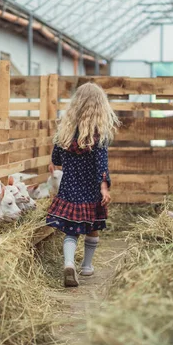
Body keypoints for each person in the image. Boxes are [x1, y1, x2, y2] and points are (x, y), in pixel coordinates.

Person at [46, 83, 119, 288]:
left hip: (70, 188)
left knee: (71, 230)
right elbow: (101, 164)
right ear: (99, 106)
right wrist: (104, 186)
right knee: (92, 227)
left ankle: (69, 263)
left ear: (75, 104)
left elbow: (56, 158)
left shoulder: (65, 133)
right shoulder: (99, 135)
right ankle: (86, 267)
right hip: (90, 189)